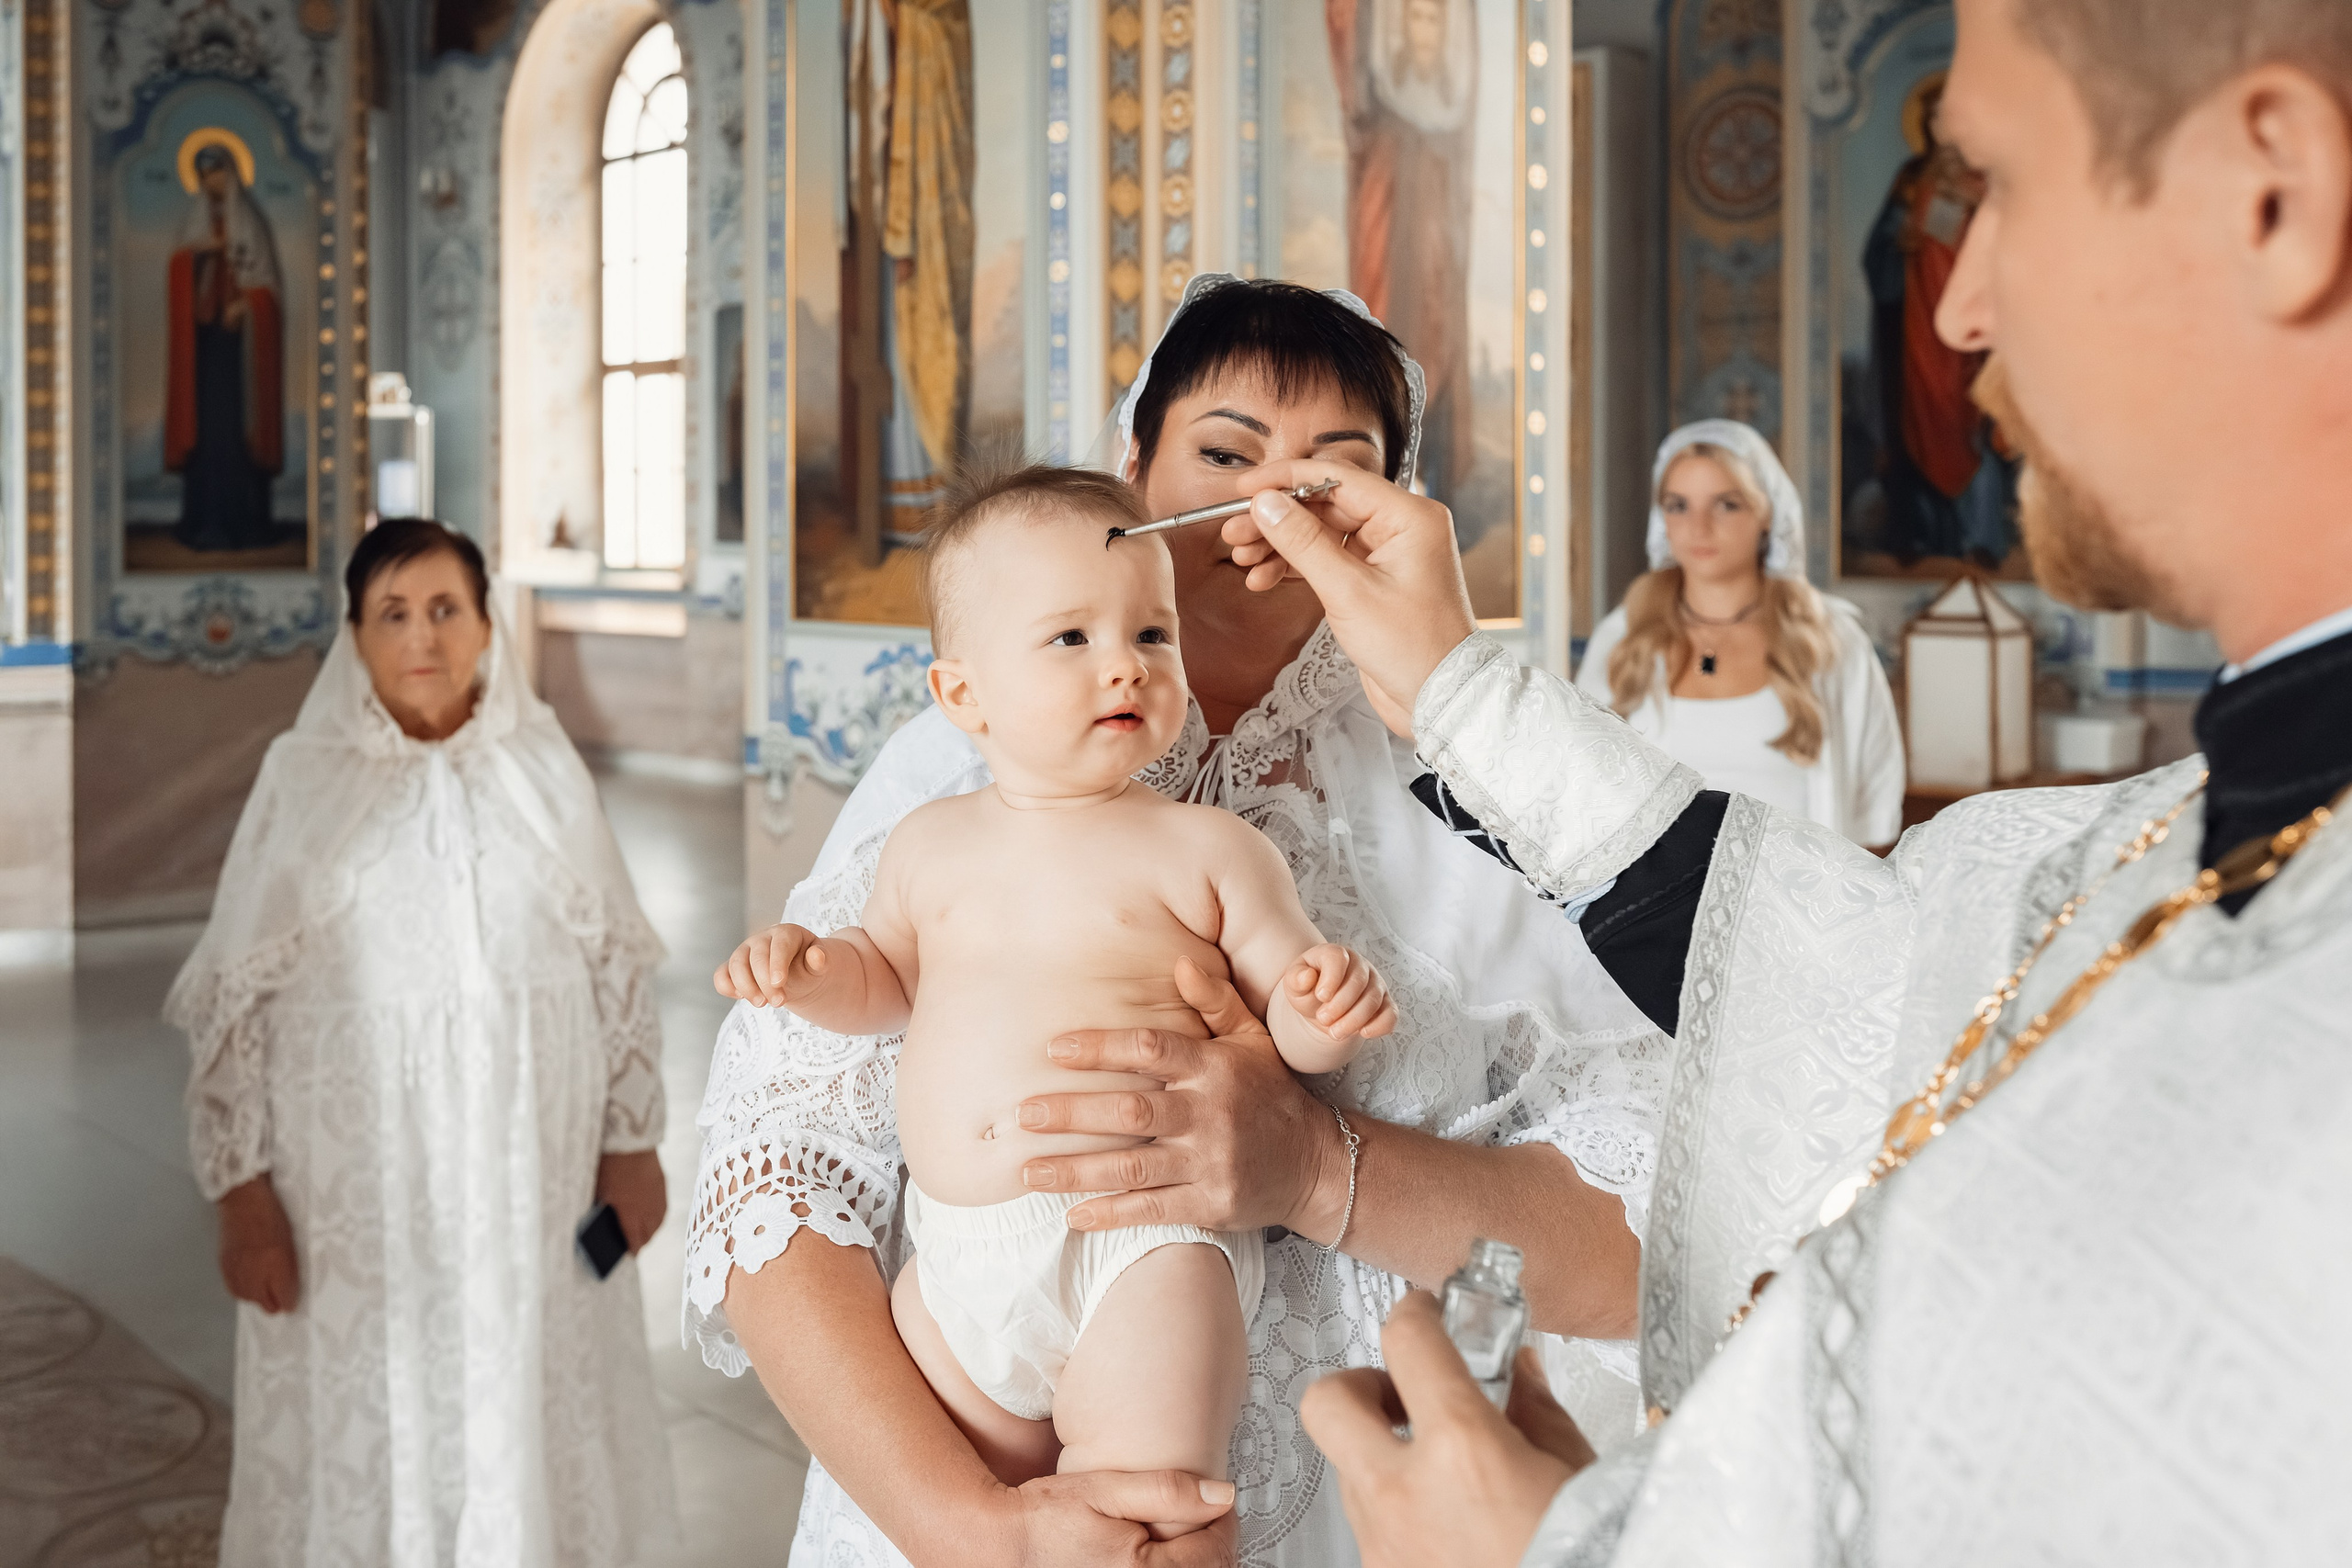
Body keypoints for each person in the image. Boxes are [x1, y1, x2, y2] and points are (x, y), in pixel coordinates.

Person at [1219, 0, 2352, 1560]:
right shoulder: (2194, 826)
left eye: (1998, 185)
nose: (1955, 317)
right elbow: (1875, 986)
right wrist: (1456, 689)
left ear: (2271, 193)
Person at [684, 275, 1665, 1566]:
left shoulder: (1483, 783)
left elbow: (1656, 1223)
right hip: (966, 1463)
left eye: (1333, 472)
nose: (1271, 508)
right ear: (1134, 466)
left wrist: (1316, 1159)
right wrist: (970, 1524)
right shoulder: (954, 771)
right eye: (1223, 454)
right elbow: (779, 1170)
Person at [719, 465, 1396, 1534]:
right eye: (1071, 639)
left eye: (1151, 635)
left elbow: (1290, 1033)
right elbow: (884, 983)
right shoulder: (927, 846)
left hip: (1144, 1247)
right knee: (982, 1527)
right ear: (962, 696)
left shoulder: (1208, 849)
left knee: (1135, 1519)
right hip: (955, 1264)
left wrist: (1324, 1004)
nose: (1123, 666)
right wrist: (811, 974)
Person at [171, 520, 676, 1564]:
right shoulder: (302, 781)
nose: (423, 636)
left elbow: (617, 963)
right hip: (355, 1187)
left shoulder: (543, 772)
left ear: (488, 626)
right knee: (376, 1390)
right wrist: (242, 1192)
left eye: (446, 608)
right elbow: (229, 1002)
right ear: (353, 636)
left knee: (531, 1372)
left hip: (531, 1171)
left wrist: (632, 1140)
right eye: (393, 613)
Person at [1578, 420, 1903, 849]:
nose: (1699, 526)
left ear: (1766, 512)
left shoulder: (1831, 641)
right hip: (1653, 911)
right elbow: (1582, 796)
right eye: (1678, 505)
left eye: (1726, 505)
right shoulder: (1623, 637)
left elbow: (1875, 809)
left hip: (1796, 903)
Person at [167, 141, 285, 551]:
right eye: (204, 172)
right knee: (208, 433)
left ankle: (243, 524)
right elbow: (179, 269)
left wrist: (246, 306)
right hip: (205, 344)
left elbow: (266, 285)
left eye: (216, 170)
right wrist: (201, 254)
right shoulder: (194, 222)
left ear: (231, 173)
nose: (210, 179)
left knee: (235, 433)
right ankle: (205, 522)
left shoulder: (249, 223)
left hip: (240, 348)